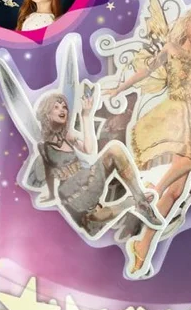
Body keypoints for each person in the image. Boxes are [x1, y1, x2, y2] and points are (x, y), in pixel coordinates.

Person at [103, 3, 191, 277]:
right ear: (186, 22)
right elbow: (146, 72)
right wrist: (119, 88)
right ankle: (151, 192)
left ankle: (143, 245)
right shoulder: (171, 49)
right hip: (171, 114)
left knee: (176, 193)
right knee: (189, 162)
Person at [33, 91, 163, 236]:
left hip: (88, 177)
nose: (62, 109)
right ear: (47, 114)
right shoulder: (43, 147)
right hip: (73, 196)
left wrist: (86, 116)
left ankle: (141, 202)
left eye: (64, 106)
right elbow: (40, 177)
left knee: (115, 150)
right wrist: (51, 189)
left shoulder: (68, 135)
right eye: (56, 107)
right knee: (91, 222)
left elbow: (90, 153)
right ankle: (128, 204)